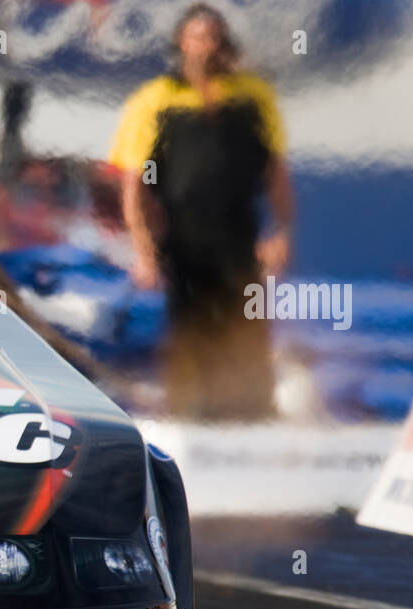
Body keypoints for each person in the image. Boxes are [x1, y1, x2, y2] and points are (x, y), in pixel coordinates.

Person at [108, 3, 293, 420]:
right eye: (195, 38)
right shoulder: (155, 100)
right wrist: (143, 251)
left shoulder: (252, 97)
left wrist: (281, 231)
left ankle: (254, 418)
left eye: (212, 38)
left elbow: (276, 173)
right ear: (181, 44)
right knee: (190, 331)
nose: (204, 47)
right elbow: (134, 187)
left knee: (247, 328)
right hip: (183, 239)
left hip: (240, 237)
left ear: (224, 45)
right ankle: (189, 418)